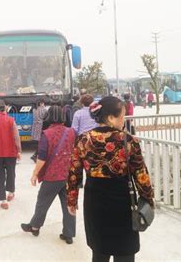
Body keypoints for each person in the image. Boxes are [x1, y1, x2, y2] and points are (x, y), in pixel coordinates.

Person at [66, 96, 154, 262]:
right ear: (111, 118)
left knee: (100, 251)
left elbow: (73, 173)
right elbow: (141, 175)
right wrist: (148, 200)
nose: (124, 120)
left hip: (95, 202)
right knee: (125, 252)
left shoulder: (83, 140)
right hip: (123, 203)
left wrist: (72, 200)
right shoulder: (128, 140)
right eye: (122, 116)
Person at [21, 106, 76, 244]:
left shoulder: (47, 134)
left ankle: (34, 226)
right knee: (69, 204)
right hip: (69, 175)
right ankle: (68, 234)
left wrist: (35, 174)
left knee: (43, 202)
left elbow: (42, 158)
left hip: (52, 176)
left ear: (49, 117)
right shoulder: (72, 132)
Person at [0, 99, 22, 210]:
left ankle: (3, 200)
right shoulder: (11, 120)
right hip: (10, 151)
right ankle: (11, 193)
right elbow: (16, 136)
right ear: (5, 107)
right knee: (11, 172)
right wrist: (19, 150)